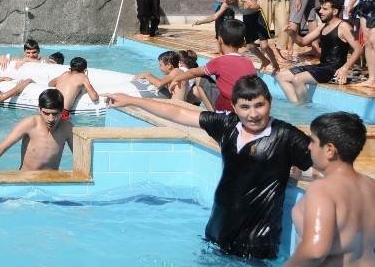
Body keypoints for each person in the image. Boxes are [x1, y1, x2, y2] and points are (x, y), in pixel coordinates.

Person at [105, 75, 312, 260]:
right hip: (219, 227)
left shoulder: (286, 135)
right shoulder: (227, 126)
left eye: (259, 105)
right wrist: (132, 100)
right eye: (245, 107)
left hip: (257, 238)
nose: (253, 114)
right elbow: (178, 113)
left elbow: (324, 159)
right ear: (234, 106)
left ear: (270, 102)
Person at [285, 112, 375, 266]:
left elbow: (314, 251)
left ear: (329, 149)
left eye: (313, 141)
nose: (309, 146)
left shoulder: (321, 190)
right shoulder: (370, 185)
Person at [277, 0, 363, 103]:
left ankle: (302, 108)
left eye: (325, 9)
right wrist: (292, 33)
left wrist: (344, 69)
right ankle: (297, 106)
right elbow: (302, 42)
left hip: (333, 69)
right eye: (321, 8)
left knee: (298, 79)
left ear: (335, 11)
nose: (321, 12)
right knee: (281, 76)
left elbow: (358, 49)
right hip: (322, 67)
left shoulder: (343, 26)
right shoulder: (323, 27)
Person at [0, 89, 72, 172]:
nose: (51, 119)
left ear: (62, 111)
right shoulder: (30, 124)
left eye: (55, 114)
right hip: (25, 181)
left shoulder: (67, 128)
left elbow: (81, 155)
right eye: (46, 113)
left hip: (51, 183)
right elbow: (0, 149)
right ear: (39, 109)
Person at [194, 0, 281, 74]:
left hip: (258, 17)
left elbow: (257, 6)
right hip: (247, 19)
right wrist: (202, 22)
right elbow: (215, 16)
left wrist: (251, 6)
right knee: (250, 46)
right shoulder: (227, 4)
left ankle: (275, 64)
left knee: (265, 46)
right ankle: (264, 60)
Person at [170, 19, 257, 112]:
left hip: (227, 106)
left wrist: (176, 79)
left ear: (220, 40)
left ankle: (214, 116)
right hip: (247, 107)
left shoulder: (220, 61)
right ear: (242, 43)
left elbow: (193, 72)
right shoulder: (248, 62)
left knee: (200, 78)